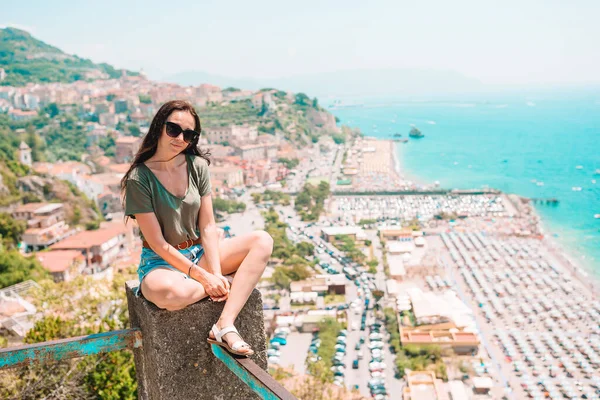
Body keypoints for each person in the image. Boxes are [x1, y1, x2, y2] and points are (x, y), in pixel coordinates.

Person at [121, 100, 272, 356]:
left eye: (189, 134)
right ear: (159, 127)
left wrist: (214, 273)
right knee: (171, 294)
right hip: (160, 262)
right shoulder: (139, 178)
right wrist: (207, 279)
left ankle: (225, 325)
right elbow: (158, 243)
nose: (180, 138)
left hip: (199, 254)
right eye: (173, 129)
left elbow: (209, 226)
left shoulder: (197, 167)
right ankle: (236, 282)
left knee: (262, 240)